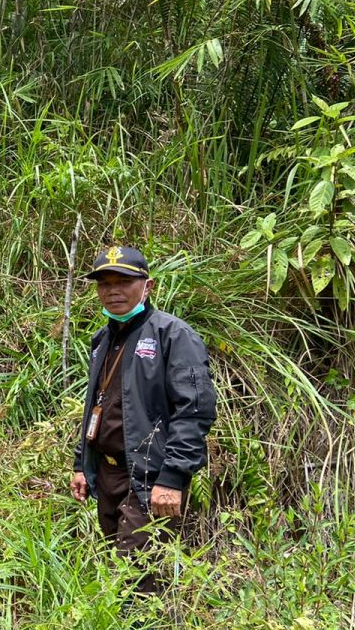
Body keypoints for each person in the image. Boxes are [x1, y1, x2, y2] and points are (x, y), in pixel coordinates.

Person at [69, 245, 217, 594]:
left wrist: (172, 477)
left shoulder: (173, 335)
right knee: (114, 570)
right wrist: (82, 463)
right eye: (104, 283)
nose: (112, 290)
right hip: (106, 474)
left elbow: (194, 411)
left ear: (147, 286)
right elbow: (96, 405)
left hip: (149, 476)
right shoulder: (103, 339)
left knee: (137, 579)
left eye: (123, 280)